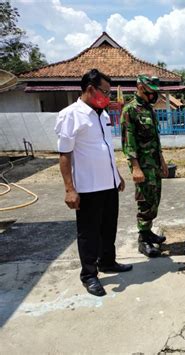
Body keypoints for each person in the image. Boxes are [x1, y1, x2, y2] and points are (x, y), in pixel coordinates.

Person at [55, 69, 132, 297]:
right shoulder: (71, 115)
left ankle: (107, 261)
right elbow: (64, 154)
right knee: (89, 233)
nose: (108, 97)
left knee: (109, 227)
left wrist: (116, 175)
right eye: (105, 91)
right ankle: (89, 275)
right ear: (90, 89)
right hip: (87, 188)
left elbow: (106, 148)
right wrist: (70, 189)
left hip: (108, 184)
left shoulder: (103, 114)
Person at [121, 75, 168, 258]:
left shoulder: (148, 110)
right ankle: (143, 241)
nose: (153, 95)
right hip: (143, 166)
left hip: (154, 164)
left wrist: (162, 161)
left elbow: (155, 140)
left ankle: (148, 232)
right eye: (150, 91)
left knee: (154, 200)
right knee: (145, 202)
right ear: (140, 87)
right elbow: (128, 142)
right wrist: (135, 168)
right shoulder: (130, 110)